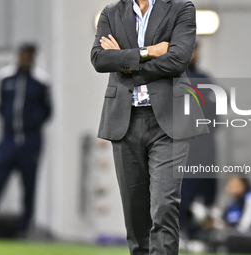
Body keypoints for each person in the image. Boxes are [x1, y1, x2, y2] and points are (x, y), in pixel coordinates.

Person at [91, 0, 208, 254]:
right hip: (124, 120)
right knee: (135, 214)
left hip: (169, 122)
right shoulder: (111, 13)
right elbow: (99, 59)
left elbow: (178, 60)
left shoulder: (181, 8)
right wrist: (148, 52)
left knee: (164, 205)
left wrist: (124, 64)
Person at [0, 43, 52, 237]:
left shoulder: (41, 81)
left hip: (30, 143)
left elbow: (47, 111)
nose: (25, 59)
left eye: (29, 56)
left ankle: (23, 229)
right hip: (8, 140)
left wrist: (31, 125)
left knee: (29, 187)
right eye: (23, 55)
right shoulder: (4, 78)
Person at [180, 42, 218, 240]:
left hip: (205, 151)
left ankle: (203, 236)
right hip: (183, 152)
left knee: (208, 195)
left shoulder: (204, 79)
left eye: (196, 50)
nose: (194, 54)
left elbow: (220, 103)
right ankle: (182, 234)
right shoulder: (174, 78)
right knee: (182, 196)